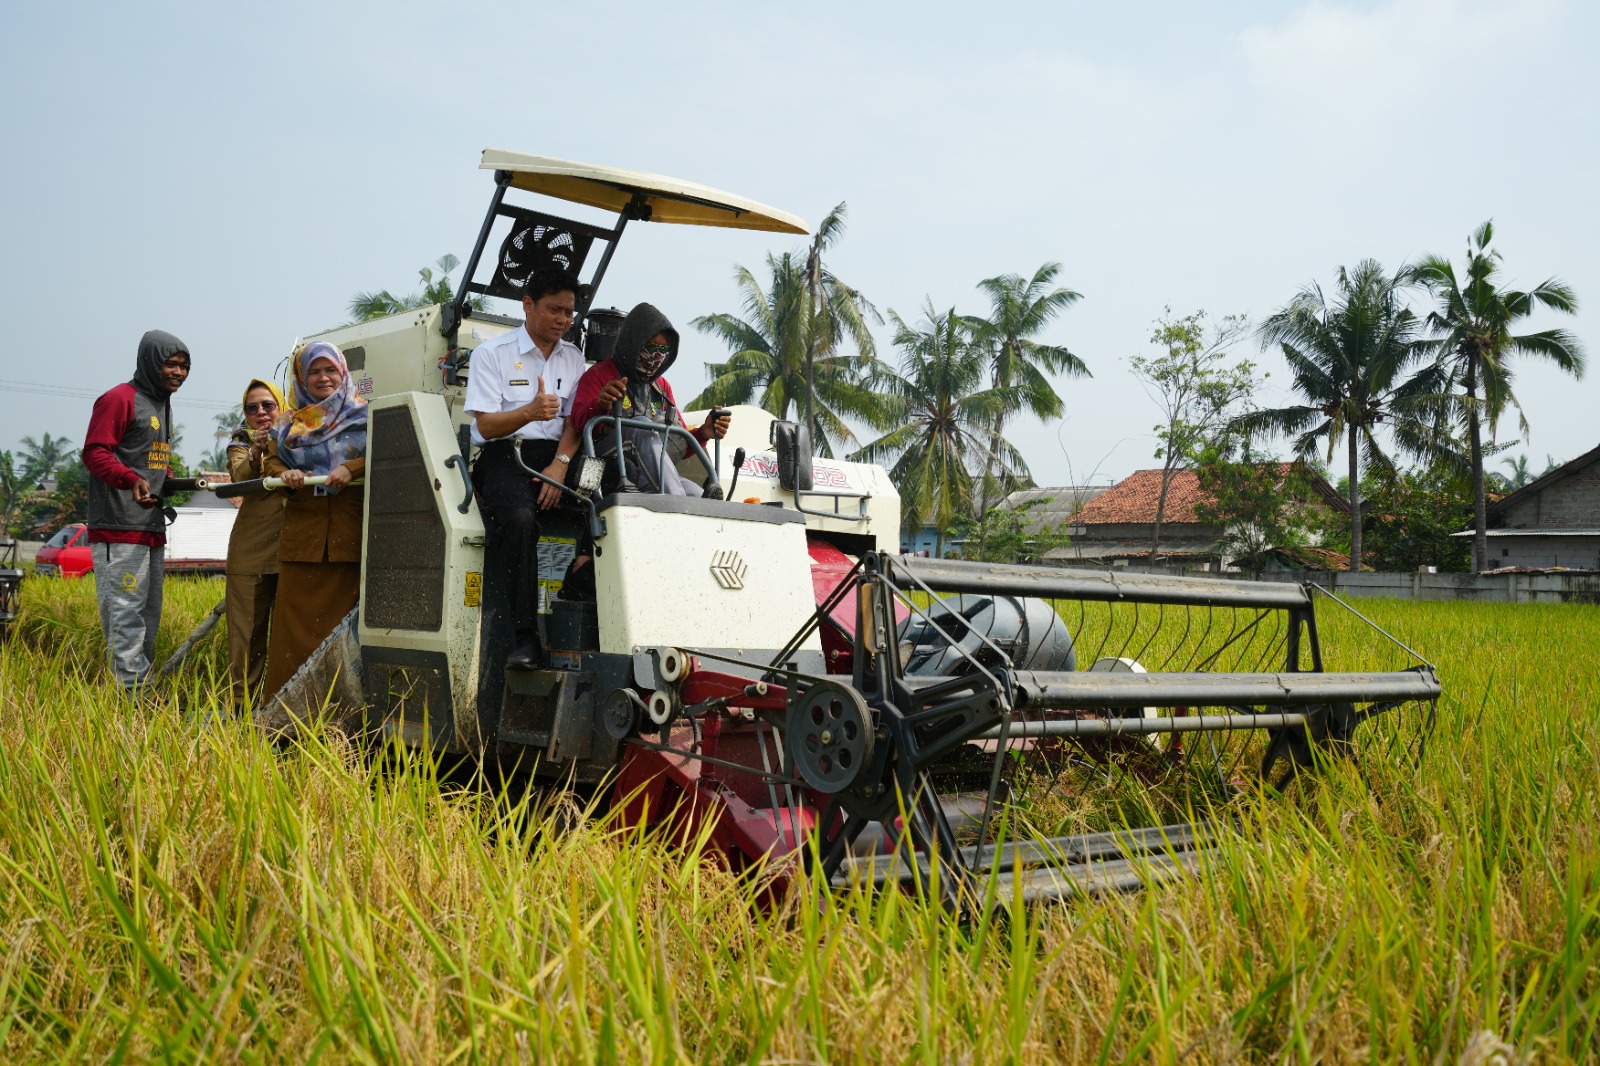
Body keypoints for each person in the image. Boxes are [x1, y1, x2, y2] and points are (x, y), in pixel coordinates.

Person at [561, 302, 731, 598]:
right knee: (643, 427)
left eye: (663, 350)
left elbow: (675, 445)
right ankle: (677, 521)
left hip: (648, 472)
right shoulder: (600, 374)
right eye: (650, 347)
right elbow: (576, 422)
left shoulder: (662, 387)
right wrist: (600, 404)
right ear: (633, 341)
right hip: (603, 464)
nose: (656, 356)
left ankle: (699, 557)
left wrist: (703, 433)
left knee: (694, 493)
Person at [464, 265, 587, 670]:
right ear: (528, 305)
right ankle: (525, 638)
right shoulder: (491, 354)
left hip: (558, 457)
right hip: (506, 456)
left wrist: (560, 465)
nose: (562, 320)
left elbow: (575, 423)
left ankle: (583, 613)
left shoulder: (574, 358)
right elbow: (485, 426)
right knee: (519, 519)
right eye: (554, 309)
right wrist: (530, 411)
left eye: (569, 312)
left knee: (611, 506)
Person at [82, 330, 191, 694]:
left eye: (184, 366)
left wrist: (169, 477)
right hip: (118, 527)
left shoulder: (162, 403)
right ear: (150, 362)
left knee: (148, 617)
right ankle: (131, 700)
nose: (178, 373)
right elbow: (95, 452)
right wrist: (130, 480)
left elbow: (146, 457)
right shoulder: (119, 399)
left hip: (150, 526)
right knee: (125, 615)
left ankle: (139, 694)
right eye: (171, 364)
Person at [261, 342, 368, 697]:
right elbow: (271, 462)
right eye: (314, 372)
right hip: (302, 541)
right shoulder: (287, 423)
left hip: (348, 540)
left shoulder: (369, 416)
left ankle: (339, 719)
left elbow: (386, 455)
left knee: (343, 637)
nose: (323, 378)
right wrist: (286, 475)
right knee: (291, 633)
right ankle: (283, 716)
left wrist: (351, 468)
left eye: (330, 370)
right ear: (301, 378)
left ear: (343, 372)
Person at [223, 378, 288, 708]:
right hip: (252, 550)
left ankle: (283, 710)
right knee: (246, 637)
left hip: (296, 548)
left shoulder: (303, 434)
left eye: (268, 405)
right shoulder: (241, 442)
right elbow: (239, 477)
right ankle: (241, 711)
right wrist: (257, 451)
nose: (261, 412)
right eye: (252, 408)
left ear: (281, 405)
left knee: (290, 634)